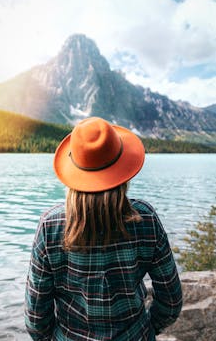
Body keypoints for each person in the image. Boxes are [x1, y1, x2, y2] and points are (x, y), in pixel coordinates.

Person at [25, 117, 182, 341]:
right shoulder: (144, 219)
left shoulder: (50, 226)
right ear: (122, 170)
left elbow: (36, 317)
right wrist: (147, 330)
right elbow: (171, 301)